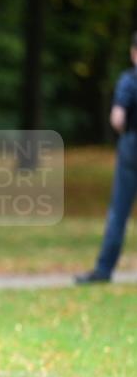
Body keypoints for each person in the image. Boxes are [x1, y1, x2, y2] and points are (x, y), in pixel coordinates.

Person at [75, 31, 137, 284]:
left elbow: (117, 119)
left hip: (132, 145)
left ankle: (103, 270)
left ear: (133, 52)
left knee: (119, 211)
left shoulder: (129, 80)